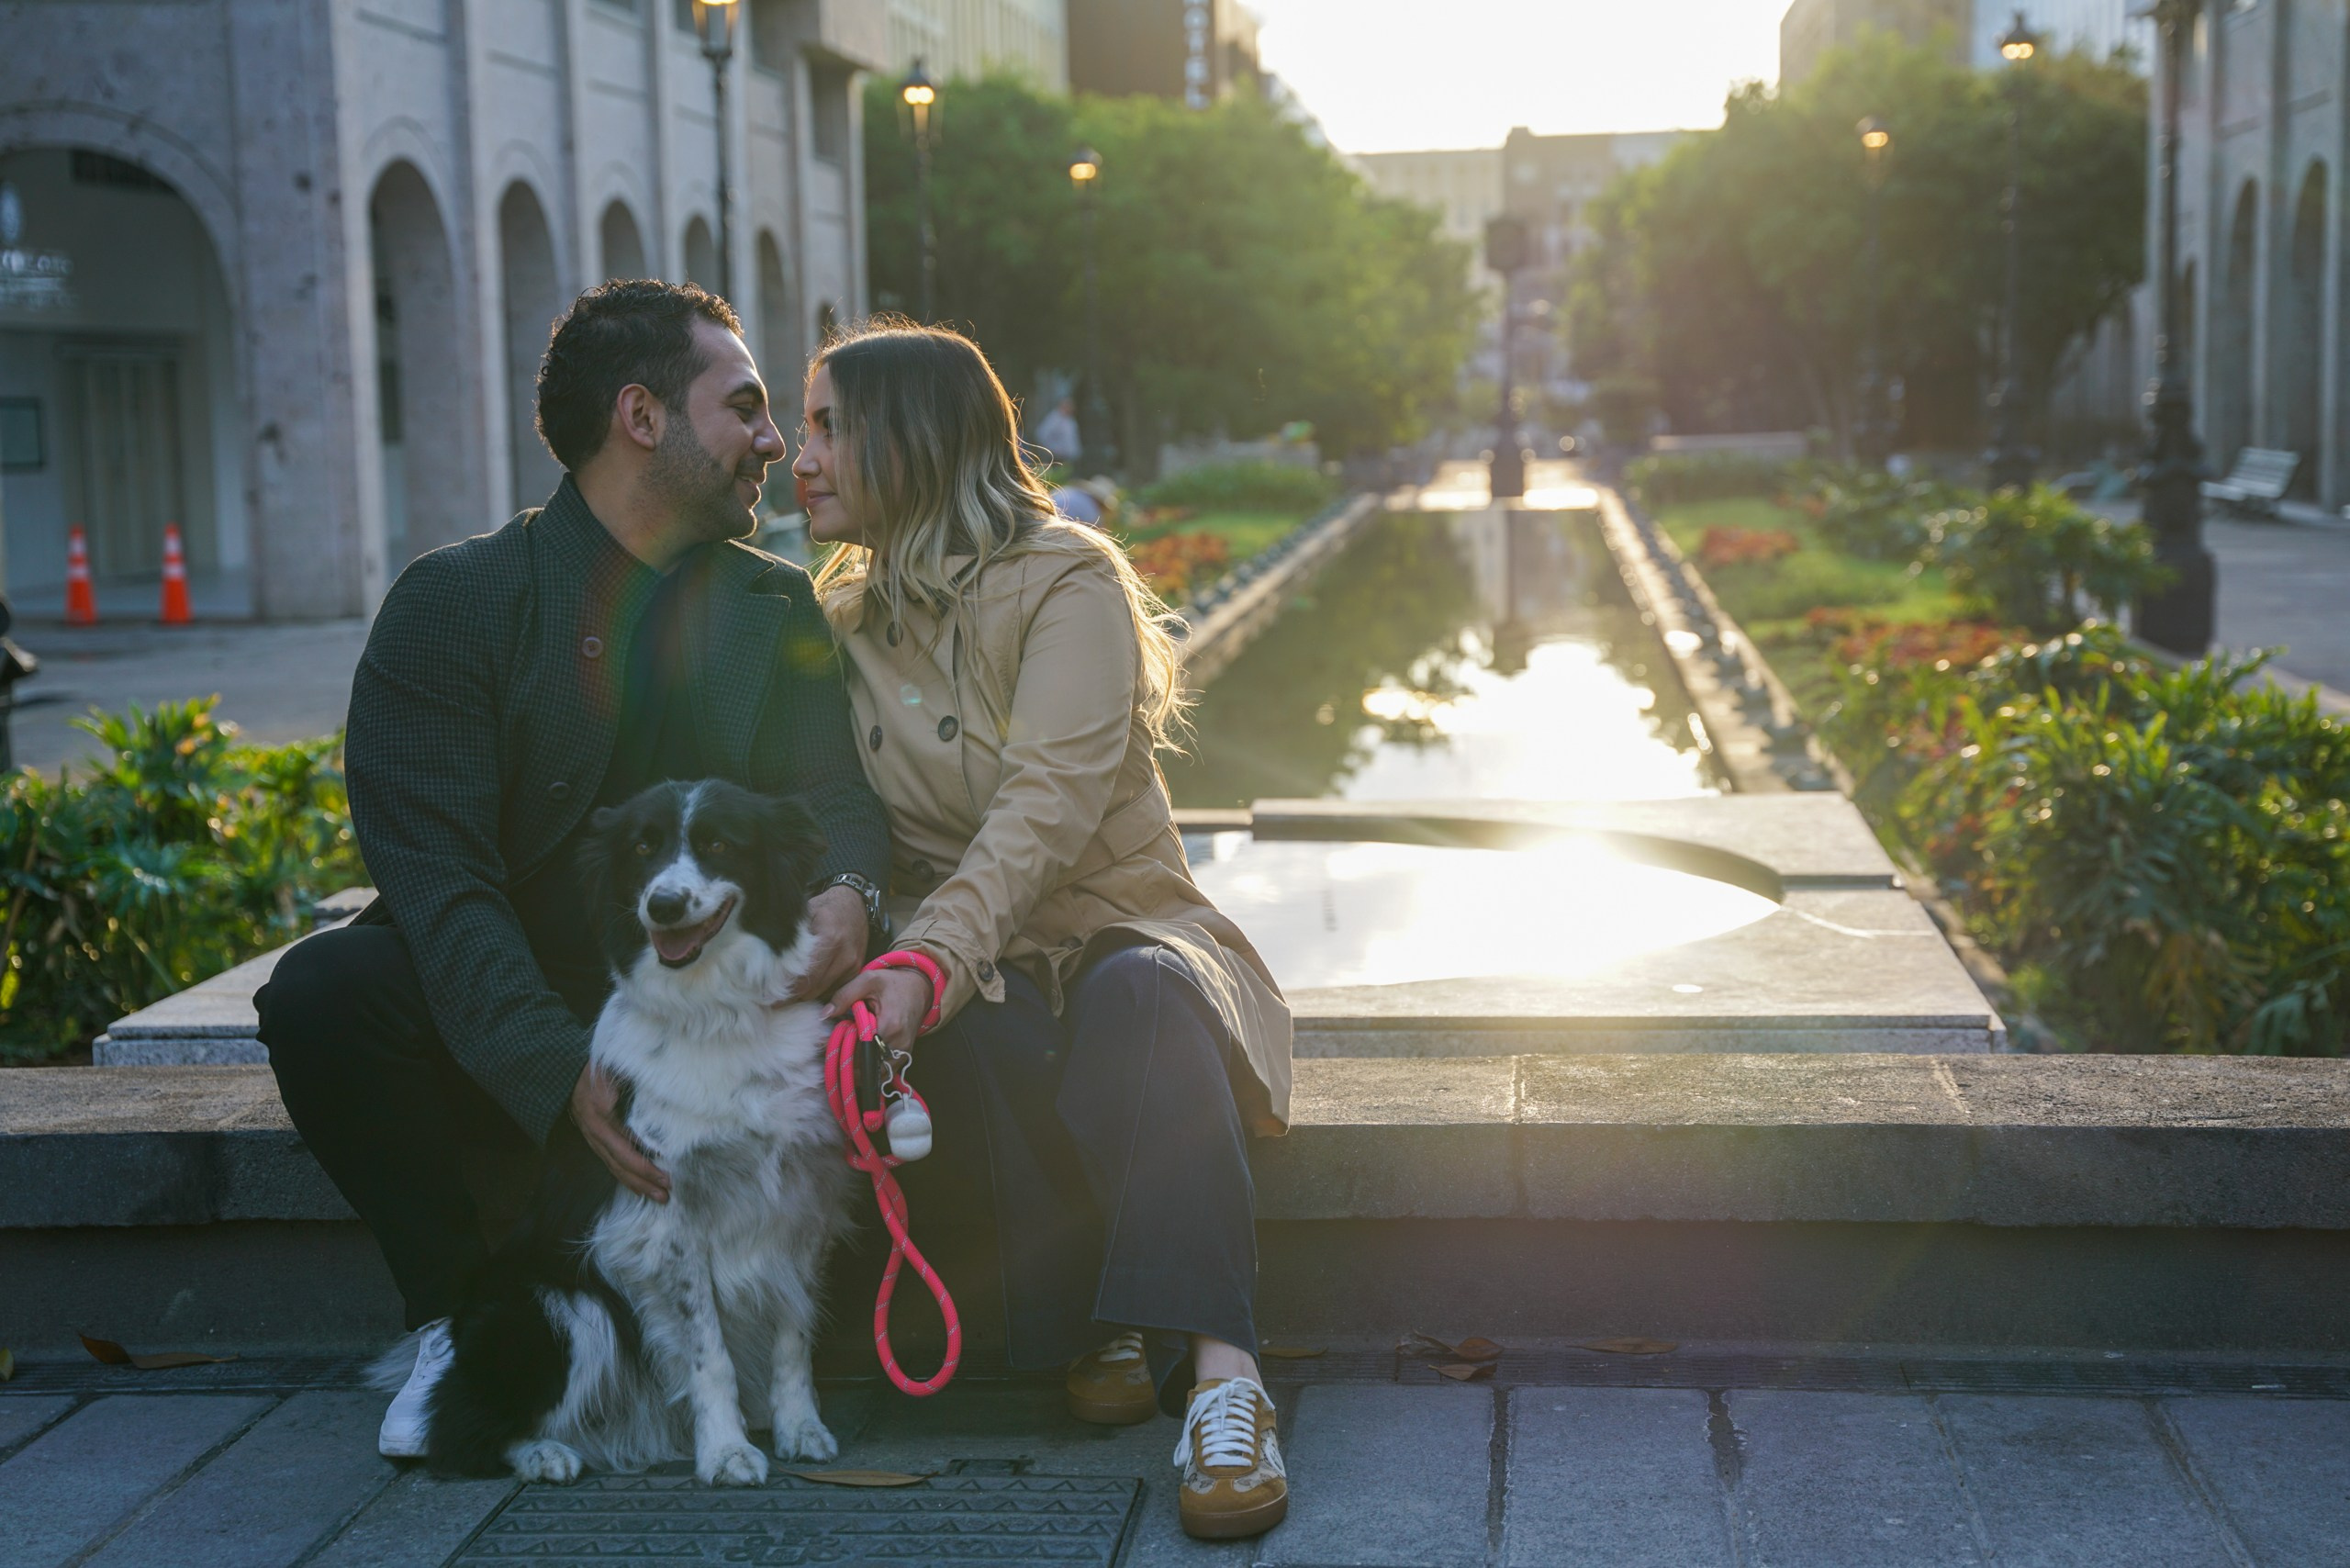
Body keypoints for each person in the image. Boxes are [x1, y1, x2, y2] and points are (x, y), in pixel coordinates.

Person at [254, 280, 892, 1460]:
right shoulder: (453, 604)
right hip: (514, 1009)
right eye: (745, 405)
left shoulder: (772, 601)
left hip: (719, 1020)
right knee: (324, 994)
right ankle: (457, 1320)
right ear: (640, 416)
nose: (772, 440)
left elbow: (838, 799)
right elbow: (439, 887)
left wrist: (853, 893)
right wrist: (562, 1071)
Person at [798, 321, 1294, 1541]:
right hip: (981, 965)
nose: (796, 458)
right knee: (982, 1025)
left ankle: (1227, 1382)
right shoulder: (840, 618)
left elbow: (1043, 811)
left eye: (825, 426)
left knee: (1136, 1000)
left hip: (1129, 927)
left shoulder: (1069, 582)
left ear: (909, 439)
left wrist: (925, 958)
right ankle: (1108, 1318)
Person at [1034, 395, 1082, 466]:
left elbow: (1073, 439)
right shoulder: (1054, 418)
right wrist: (1052, 449)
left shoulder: (1070, 420)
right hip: (1056, 458)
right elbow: (1041, 434)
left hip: (1069, 459)